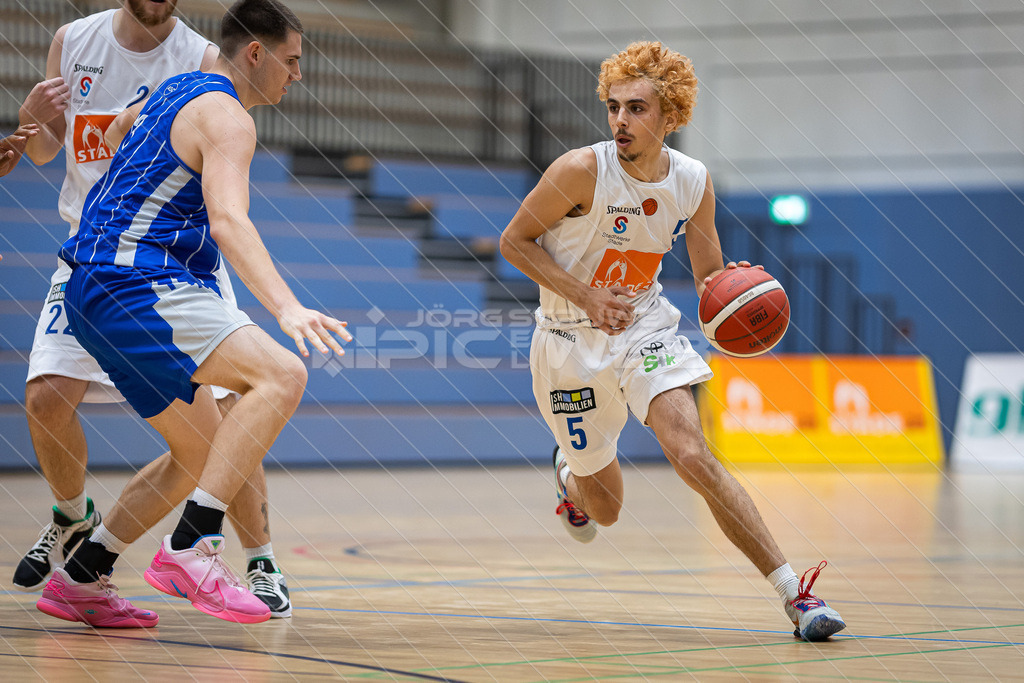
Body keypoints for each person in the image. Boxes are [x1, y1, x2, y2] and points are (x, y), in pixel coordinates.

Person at [500, 41, 847, 642]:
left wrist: (732, 294)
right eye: (614, 107)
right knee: (605, 510)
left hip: (643, 329)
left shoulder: (692, 181)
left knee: (691, 453)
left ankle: (796, 596)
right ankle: (569, 476)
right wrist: (584, 297)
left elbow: (708, 271)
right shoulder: (581, 170)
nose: (620, 121)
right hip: (565, 345)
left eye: (636, 108)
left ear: (670, 115)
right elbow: (513, 242)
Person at [32, 0, 348, 627]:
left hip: (89, 285)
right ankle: (193, 547)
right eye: (291, 61)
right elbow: (230, 218)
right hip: (134, 279)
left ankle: (83, 578)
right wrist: (286, 307)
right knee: (283, 374)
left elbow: (121, 130)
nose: (297, 75)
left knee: (198, 452)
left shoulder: (176, 88)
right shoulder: (229, 118)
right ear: (254, 53)